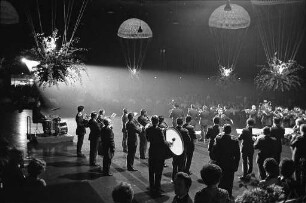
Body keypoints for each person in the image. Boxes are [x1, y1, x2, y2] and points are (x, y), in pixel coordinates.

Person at [212, 124, 240, 196]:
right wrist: (236, 165)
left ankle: (220, 196)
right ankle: (228, 196)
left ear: (223, 130)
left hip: (220, 162)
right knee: (229, 182)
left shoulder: (218, 138)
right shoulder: (234, 140)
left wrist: (214, 160)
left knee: (220, 181)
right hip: (230, 163)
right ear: (230, 131)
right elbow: (237, 155)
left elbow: (214, 151)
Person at [146, 115, 168, 194]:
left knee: (151, 171)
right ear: (158, 121)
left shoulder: (148, 129)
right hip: (159, 152)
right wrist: (169, 143)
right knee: (158, 171)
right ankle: (157, 188)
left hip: (152, 151)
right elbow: (163, 142)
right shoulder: (159, 130)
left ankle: (152, 187)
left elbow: (148, 139)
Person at [291, 124, 306, 195]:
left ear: (301, 130)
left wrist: (293, 137)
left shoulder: (299, 138)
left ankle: (299, 190)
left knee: (297, 173)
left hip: (298, 157)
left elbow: (291, 144)